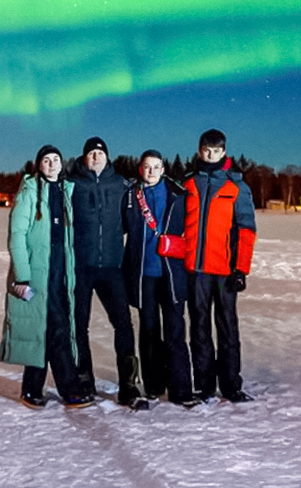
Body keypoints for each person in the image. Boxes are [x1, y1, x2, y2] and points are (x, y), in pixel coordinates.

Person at [0, 144, 93, 409]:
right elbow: (17, 235)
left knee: (51, 328)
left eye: (56, 160)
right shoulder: (29, 191)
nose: (51, 164)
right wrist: (23, 275)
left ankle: (32, 389)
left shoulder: (65, 191)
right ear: (38, 165)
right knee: (52, 330)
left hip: (60, 273)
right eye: (46, 160)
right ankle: (68, 389)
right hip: (37, 275)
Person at [183, 127, 256, 403]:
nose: (210, 154)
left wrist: (241, 269)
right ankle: (204, 385)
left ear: (223, 152)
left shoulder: (236, 187)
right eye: (206, 149)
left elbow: (246, 230)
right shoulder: (189, 184)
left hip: (224, 271)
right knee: (199, 328)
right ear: (199, 150)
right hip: (195, 271)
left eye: (216, 150)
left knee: (227, 328)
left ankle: (231, 385)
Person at [66, 136, 141, 407]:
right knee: (79, 325)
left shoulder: (120, 184)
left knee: (123, 323)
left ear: (107, 157)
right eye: (91, 153)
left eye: (100, 152)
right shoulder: (72, 185)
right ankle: (84, 379)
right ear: (84, 158)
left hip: (112, 267)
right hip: (82, 267)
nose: (96, 157)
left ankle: (129, 384)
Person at [122, 149, 194, 408]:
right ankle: (153, 385)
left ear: (163, 170)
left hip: (172, 273)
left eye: (156, 167)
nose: (151, 171)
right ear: (140, 169)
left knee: (175, 330)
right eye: (146, 167)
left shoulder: (178, 194)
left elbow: (194, 228)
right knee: (149, 330)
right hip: (143, 274)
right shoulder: (130, 194)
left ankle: (182, 389)